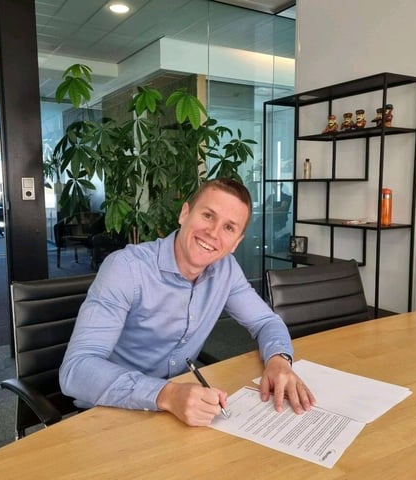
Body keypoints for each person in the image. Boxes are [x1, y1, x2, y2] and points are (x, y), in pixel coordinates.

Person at [60, 178, 315, 427]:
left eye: (229, 228)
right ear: (185, 213)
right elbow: (76, 370)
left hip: (175, 410)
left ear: (236, 242)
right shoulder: (126, 268)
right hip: (111, 411)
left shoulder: (226, 269)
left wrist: (279, 360)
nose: (213, 233)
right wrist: (167, 394)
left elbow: (266, 321)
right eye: (208, 215)